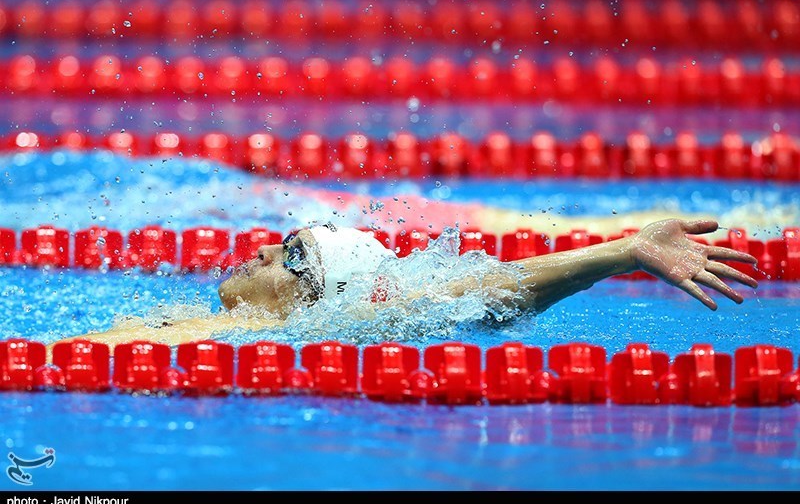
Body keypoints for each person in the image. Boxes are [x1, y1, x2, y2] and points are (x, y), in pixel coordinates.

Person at [54, 217, 758, 349]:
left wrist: (622, 250)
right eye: (281, 240)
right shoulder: (202, 323)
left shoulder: (316, 330)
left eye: (290, 254)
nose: (264, 247)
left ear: (315, 298)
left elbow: (483, 289)